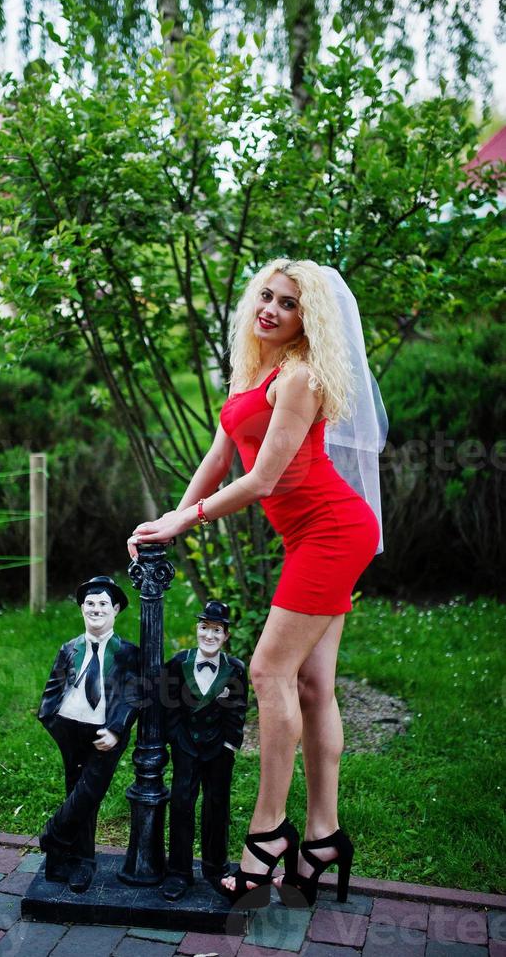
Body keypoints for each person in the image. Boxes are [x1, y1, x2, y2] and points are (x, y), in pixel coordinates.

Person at [128, 259, 387, 908]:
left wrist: (185, 524)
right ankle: (323, 838)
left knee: (270, 673)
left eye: (288, 303)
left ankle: (268, 832)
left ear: (309, 317)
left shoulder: (299, 376)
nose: (270, 309)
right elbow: (218, 457)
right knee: (311, 683)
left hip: (331, 531)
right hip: (314, 535)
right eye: (266, 296)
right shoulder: (256, 370)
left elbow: (261, 481)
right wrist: (170, 517)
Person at [38, 575, 141, 892]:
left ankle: (54, 835)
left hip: (105, 733)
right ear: (82, 608)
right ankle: (72, 859)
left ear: (116, 610)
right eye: (90, 604)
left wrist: (115, 729)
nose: (96, 610)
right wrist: (51, 720)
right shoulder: (70, 648)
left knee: (90, 792)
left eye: (103, 604)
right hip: (69, 728)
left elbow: (132, 696)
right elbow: (53, 690)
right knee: (75, 789)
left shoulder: (126, 653)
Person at [161, 600, 248, 901]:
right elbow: (168, 707)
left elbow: (237, 710)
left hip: (218, 750)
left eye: (216, 630)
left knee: (217, 807)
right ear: (196, 630)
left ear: (225, 636)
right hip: (186, 746)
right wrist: (176, 739)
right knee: (182, 804)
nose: (209, 636)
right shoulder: (177, 663)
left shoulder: (235, 670)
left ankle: (216, 867)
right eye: (204, 628)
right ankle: (179, 871)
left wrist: (229, 745)